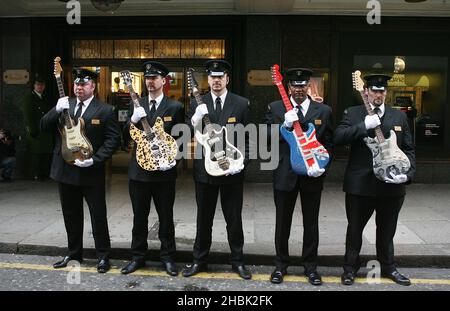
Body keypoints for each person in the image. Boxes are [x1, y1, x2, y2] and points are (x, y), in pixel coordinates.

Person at [334, 72, 415, 286]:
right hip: (361, 184)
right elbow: (338, 138)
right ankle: (350, 268)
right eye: (375, 90)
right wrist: (363, 126)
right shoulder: (353, 113)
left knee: (387, 231)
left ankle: (388, 267)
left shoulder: (399, 117)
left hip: (391, 185)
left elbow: (409, 149)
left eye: (382, 91)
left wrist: (407, 175)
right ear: (366, 91)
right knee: (354, 229)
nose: (378, 94)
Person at [40, 68, 121, 273]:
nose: (79, 87)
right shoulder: (65, 105)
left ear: (92, 86)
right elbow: (42, 127)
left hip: (90, 172)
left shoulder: (105, 110)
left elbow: (113, 140)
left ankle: (103, 256)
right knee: (70, 215)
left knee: (98, 216)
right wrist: (55, 110)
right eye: (76, 84)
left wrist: (96, 160)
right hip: (65, 170)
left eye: (83, 84)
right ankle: (74, 253)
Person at [264, 68, 333, 286]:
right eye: (295, 85)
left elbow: (329, 143)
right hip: (285, 174)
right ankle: (280, 265)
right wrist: (282, 125)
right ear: (288, 87)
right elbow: (264, 137)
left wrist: (323, 166)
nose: (299, 89)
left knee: (311, 223)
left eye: (303, 85)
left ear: (308, 86)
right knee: (282, 222)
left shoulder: (323, 110)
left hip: (312, 174)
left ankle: (311, 267)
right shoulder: (276, 108)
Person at [183, 60, 252, 280]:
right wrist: (194, 118)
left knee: (234, 219)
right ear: (208, 79)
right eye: (212, 77)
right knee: (204, 219)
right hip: (205, 172)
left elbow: (249, 138)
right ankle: (199, 260)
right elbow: (185, 133)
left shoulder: (240, 104)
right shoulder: (197, 103)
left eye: (220, 76)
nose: (216, 80)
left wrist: (242, 163)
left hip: (232, 172)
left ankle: (238, 262)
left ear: (227, 79)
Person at [120, 61, 184, 276]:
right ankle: (137, 257)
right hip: (139, 172)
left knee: (166, 217)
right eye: (147, 78)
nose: (150, 82)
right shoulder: (136, 104)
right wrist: (132, 120)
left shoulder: (175, 107)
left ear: (163, 81)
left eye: (154, 78)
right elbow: (124, 136)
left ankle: (168, 258)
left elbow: (182, 138)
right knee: (139, 217)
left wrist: (175, 159)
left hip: (165, 173)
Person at [22, 75, 53, 180]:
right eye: (38, 85)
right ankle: (37, 174)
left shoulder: (44, 97)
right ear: (34, 86)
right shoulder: (29, 98)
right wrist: (32, 130)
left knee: (45, 153)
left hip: (45, 131)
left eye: (42, 85)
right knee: (37, 154)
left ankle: (44, 173)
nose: (40, 87)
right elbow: (28, 116)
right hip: (36, 131)